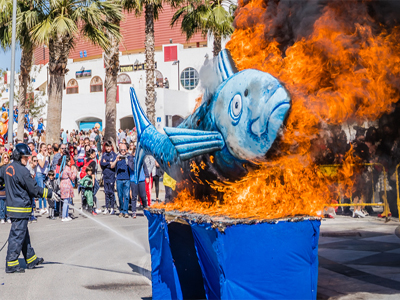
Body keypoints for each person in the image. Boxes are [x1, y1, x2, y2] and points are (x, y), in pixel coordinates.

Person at [0, 143, 55, 273]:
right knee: (17, 236)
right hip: (20, 209)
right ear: (19, 156)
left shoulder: (7, 168)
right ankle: (11, 263)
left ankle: (30, 259)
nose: (28, 159)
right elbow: (34, 189)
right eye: (25, 157)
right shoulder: (23, 171)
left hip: (14, 208)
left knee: (23, 235)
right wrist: (50, 193)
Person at [110, 143, 131, 218]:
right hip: (119, 179)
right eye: (121, 149)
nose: (123, 151)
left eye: (124, 149)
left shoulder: (129, 157)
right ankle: (121, 210)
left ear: (127, 150)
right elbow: (112, 166)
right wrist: (116, 160)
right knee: (120, 195)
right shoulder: (116, 156)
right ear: (119, 150)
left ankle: (126, 211)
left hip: (127, 178)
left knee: (126, 196)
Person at [128, 148, 148, 218]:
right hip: (134, 180)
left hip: (141, 179)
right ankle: (134, 211)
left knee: (143, 196)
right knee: (134, 196)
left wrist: (147, 176)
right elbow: (132, 168)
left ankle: (146, 209)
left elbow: (145, 168)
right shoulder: (130, 160)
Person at [100, 141, 117, 214]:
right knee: (106, 192)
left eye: (109, 146)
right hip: (105, 175)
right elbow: (101, 163)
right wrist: (108, 163)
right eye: (107, 146)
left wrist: (107, 163)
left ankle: (112, 207)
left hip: (111, 176)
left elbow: (112, 165)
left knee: (111, 192)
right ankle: (107, 207)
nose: (108, 148)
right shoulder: (104, 154)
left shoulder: (113, 155)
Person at [59, 155, 77, 222]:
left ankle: (66, 215)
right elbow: (72, 177)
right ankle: (64, 216)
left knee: (66, 200)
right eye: (69, 161)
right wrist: (75, 172)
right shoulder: (67, 168)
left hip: (63, 183)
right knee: (66, 200)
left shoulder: (62, 168)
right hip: (66, 184)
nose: (70, 162)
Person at [36, 143, 49, 214]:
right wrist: (44, 157)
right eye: (44, 147)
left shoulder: (45, 156)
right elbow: (41, 165)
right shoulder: (39, 155)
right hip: (39, 174)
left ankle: (45, 207)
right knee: (41, 191)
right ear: (40, 148)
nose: (45, 149)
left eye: (45, 147)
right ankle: (40, 208)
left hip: (45, 174)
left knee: (45, 191)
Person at [0, 152, 11, 224]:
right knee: (2, 203)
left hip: (9, 186)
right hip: (2, 186)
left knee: (9, 203)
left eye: (7, 157)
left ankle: (8, 217)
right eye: (5, 157)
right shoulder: (1, 167)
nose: (6, 159)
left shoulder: (10, 167)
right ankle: (2, 217)